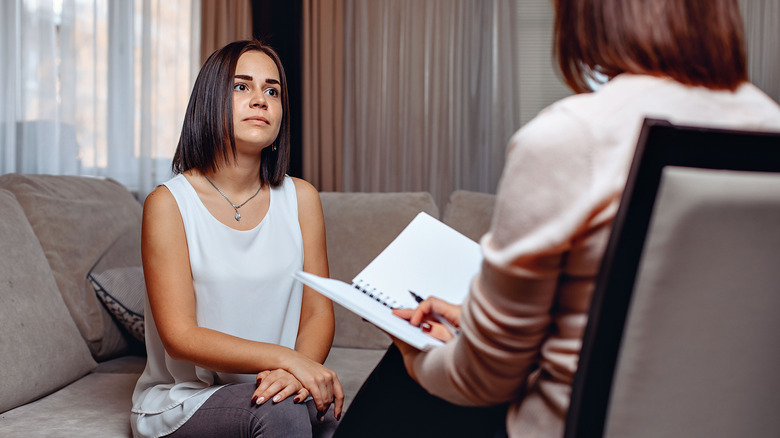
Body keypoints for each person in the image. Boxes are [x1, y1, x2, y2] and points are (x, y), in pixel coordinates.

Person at [333, 1, 780, 437]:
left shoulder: (573, 135)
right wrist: (476, 317)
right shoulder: (769, 122)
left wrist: (413, 352)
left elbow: (483, 380)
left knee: (409, 372)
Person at [130, 40, 343, 438]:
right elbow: (180, 336)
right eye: (241, 87)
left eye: (272, 90)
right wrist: (290, 361)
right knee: (281, 414)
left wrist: (295, 374)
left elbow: (317, 313)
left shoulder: (302, 198)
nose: (260, 99)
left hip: (275, 389)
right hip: (187, 400)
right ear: (209, 102)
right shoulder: (168, 203)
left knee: (326, 410)